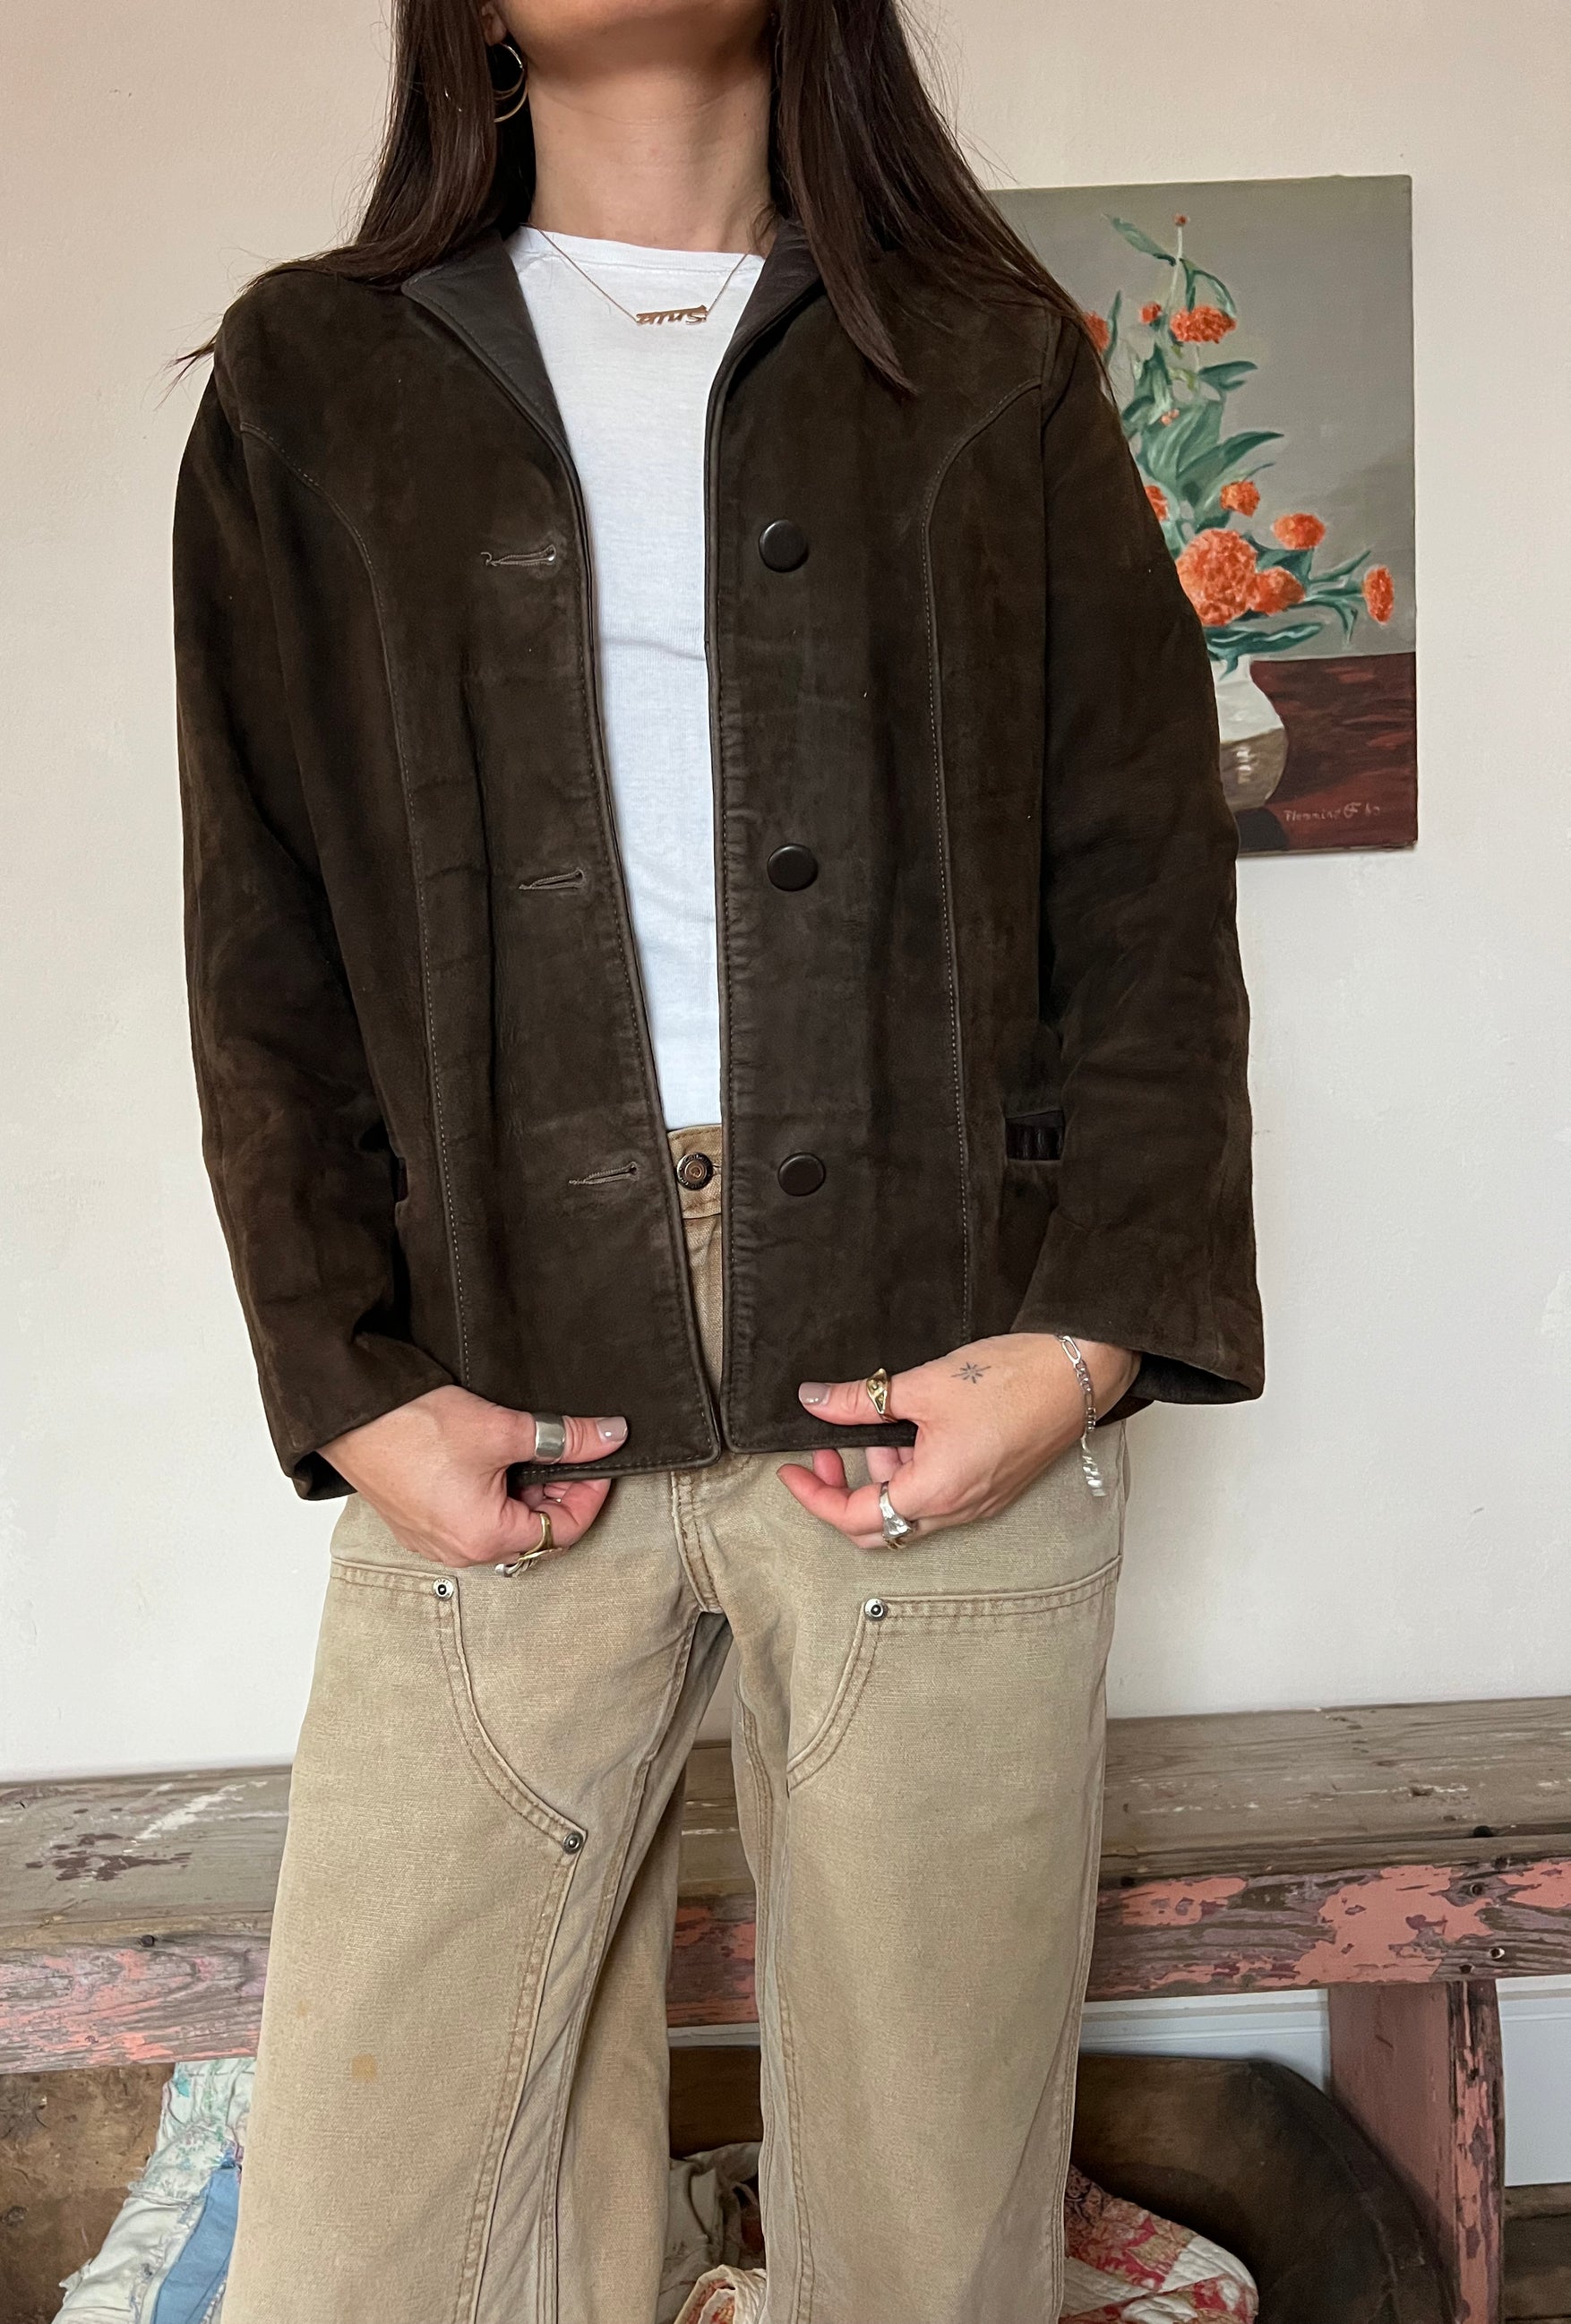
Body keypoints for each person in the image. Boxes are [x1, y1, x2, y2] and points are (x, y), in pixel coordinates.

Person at [172, 0, 1262, 2316]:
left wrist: (1081, 1347)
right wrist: (344, 1378)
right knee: (365, 2256)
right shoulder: (312, 382)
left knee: (924, 2252)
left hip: (938, 1368)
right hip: (495, 1370)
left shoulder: (988, 368)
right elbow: (259, 925)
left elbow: (1148, 893)